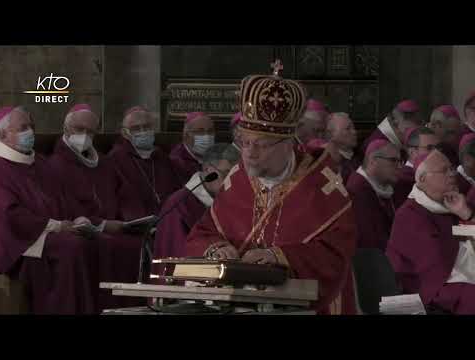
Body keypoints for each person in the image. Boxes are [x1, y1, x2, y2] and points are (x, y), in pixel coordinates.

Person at [185, 62, 358, 314]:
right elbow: (202, 233)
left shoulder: (323, 184)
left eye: (262, 145)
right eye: (245, 143)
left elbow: (335, 253)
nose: (250, 154)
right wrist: (216, 248)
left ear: (288, 144)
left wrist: (279, 257)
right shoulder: (238, 179)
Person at [0, 106, 100, 314]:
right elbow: (10, 215)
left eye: (31, 127)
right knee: (71, 247)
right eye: (23, 128)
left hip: (48, 235)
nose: (31, 133)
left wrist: (78, 219)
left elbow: (63, 198)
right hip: (18, 243)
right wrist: (57, 226)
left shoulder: (40, 163)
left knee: (95, 242)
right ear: (1, 134)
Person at [47, 104, 145, 309]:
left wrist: (133, 221)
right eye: (79, 129)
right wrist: (102, 224)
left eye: (90, 131)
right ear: (66, 129)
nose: (85, 135)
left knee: (138, 245)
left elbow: (126, 195)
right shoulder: (56, 165)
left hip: (115, 228)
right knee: (108, 246)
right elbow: (64, 207)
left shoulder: (106, 163)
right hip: (88, 230)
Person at [387, 150, 475, 314]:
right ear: (422, 179)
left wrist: (466, 214)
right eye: (444, 171)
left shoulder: (452, 203)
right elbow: (434, 272)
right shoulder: (410, 215)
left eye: (452, 169)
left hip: (457, 278)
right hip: (424, 289)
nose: (452, 174)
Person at [152, 143, 240, 268]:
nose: (232, 181)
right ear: (208, 170)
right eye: (226, 174)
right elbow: (177, 251)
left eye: (236, 175)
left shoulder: (231, 202)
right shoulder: (180, 204)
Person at [109, 105, 180, 220]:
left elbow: (175, 191)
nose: (143, 132)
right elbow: (121, 198)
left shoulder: (162, 156)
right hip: (137, 224)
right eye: (136, 128)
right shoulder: (116, 159)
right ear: (125, 133)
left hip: (168, 220)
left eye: (147, 127)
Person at [346, 140, 401, 250]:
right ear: (373, 160)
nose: (399, 166)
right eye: (393, 160)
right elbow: (370, 240)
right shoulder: (358, 191)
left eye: (400, 161)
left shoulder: (384, 188)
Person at [356, 99, 422, 163]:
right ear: (396, 122)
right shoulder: (379, 142)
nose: (413, 134)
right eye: (409, 129)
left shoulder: (396, 133)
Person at [393, 127, 440, 207]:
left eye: (437, 148)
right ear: (412, 152)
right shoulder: (402, 181)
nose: (436, 153)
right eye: (429, 148)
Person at [169, 112, 216, 184]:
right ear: (186, 135)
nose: (207, 136)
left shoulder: (217, 156)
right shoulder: (177, 161)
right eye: (200, 131)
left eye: (210, 131)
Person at [325, 112, 359, 183]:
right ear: (330, 134)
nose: (354, 132)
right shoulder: (326, 163)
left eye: (353, 128)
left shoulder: (359, 157)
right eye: (348, 129)